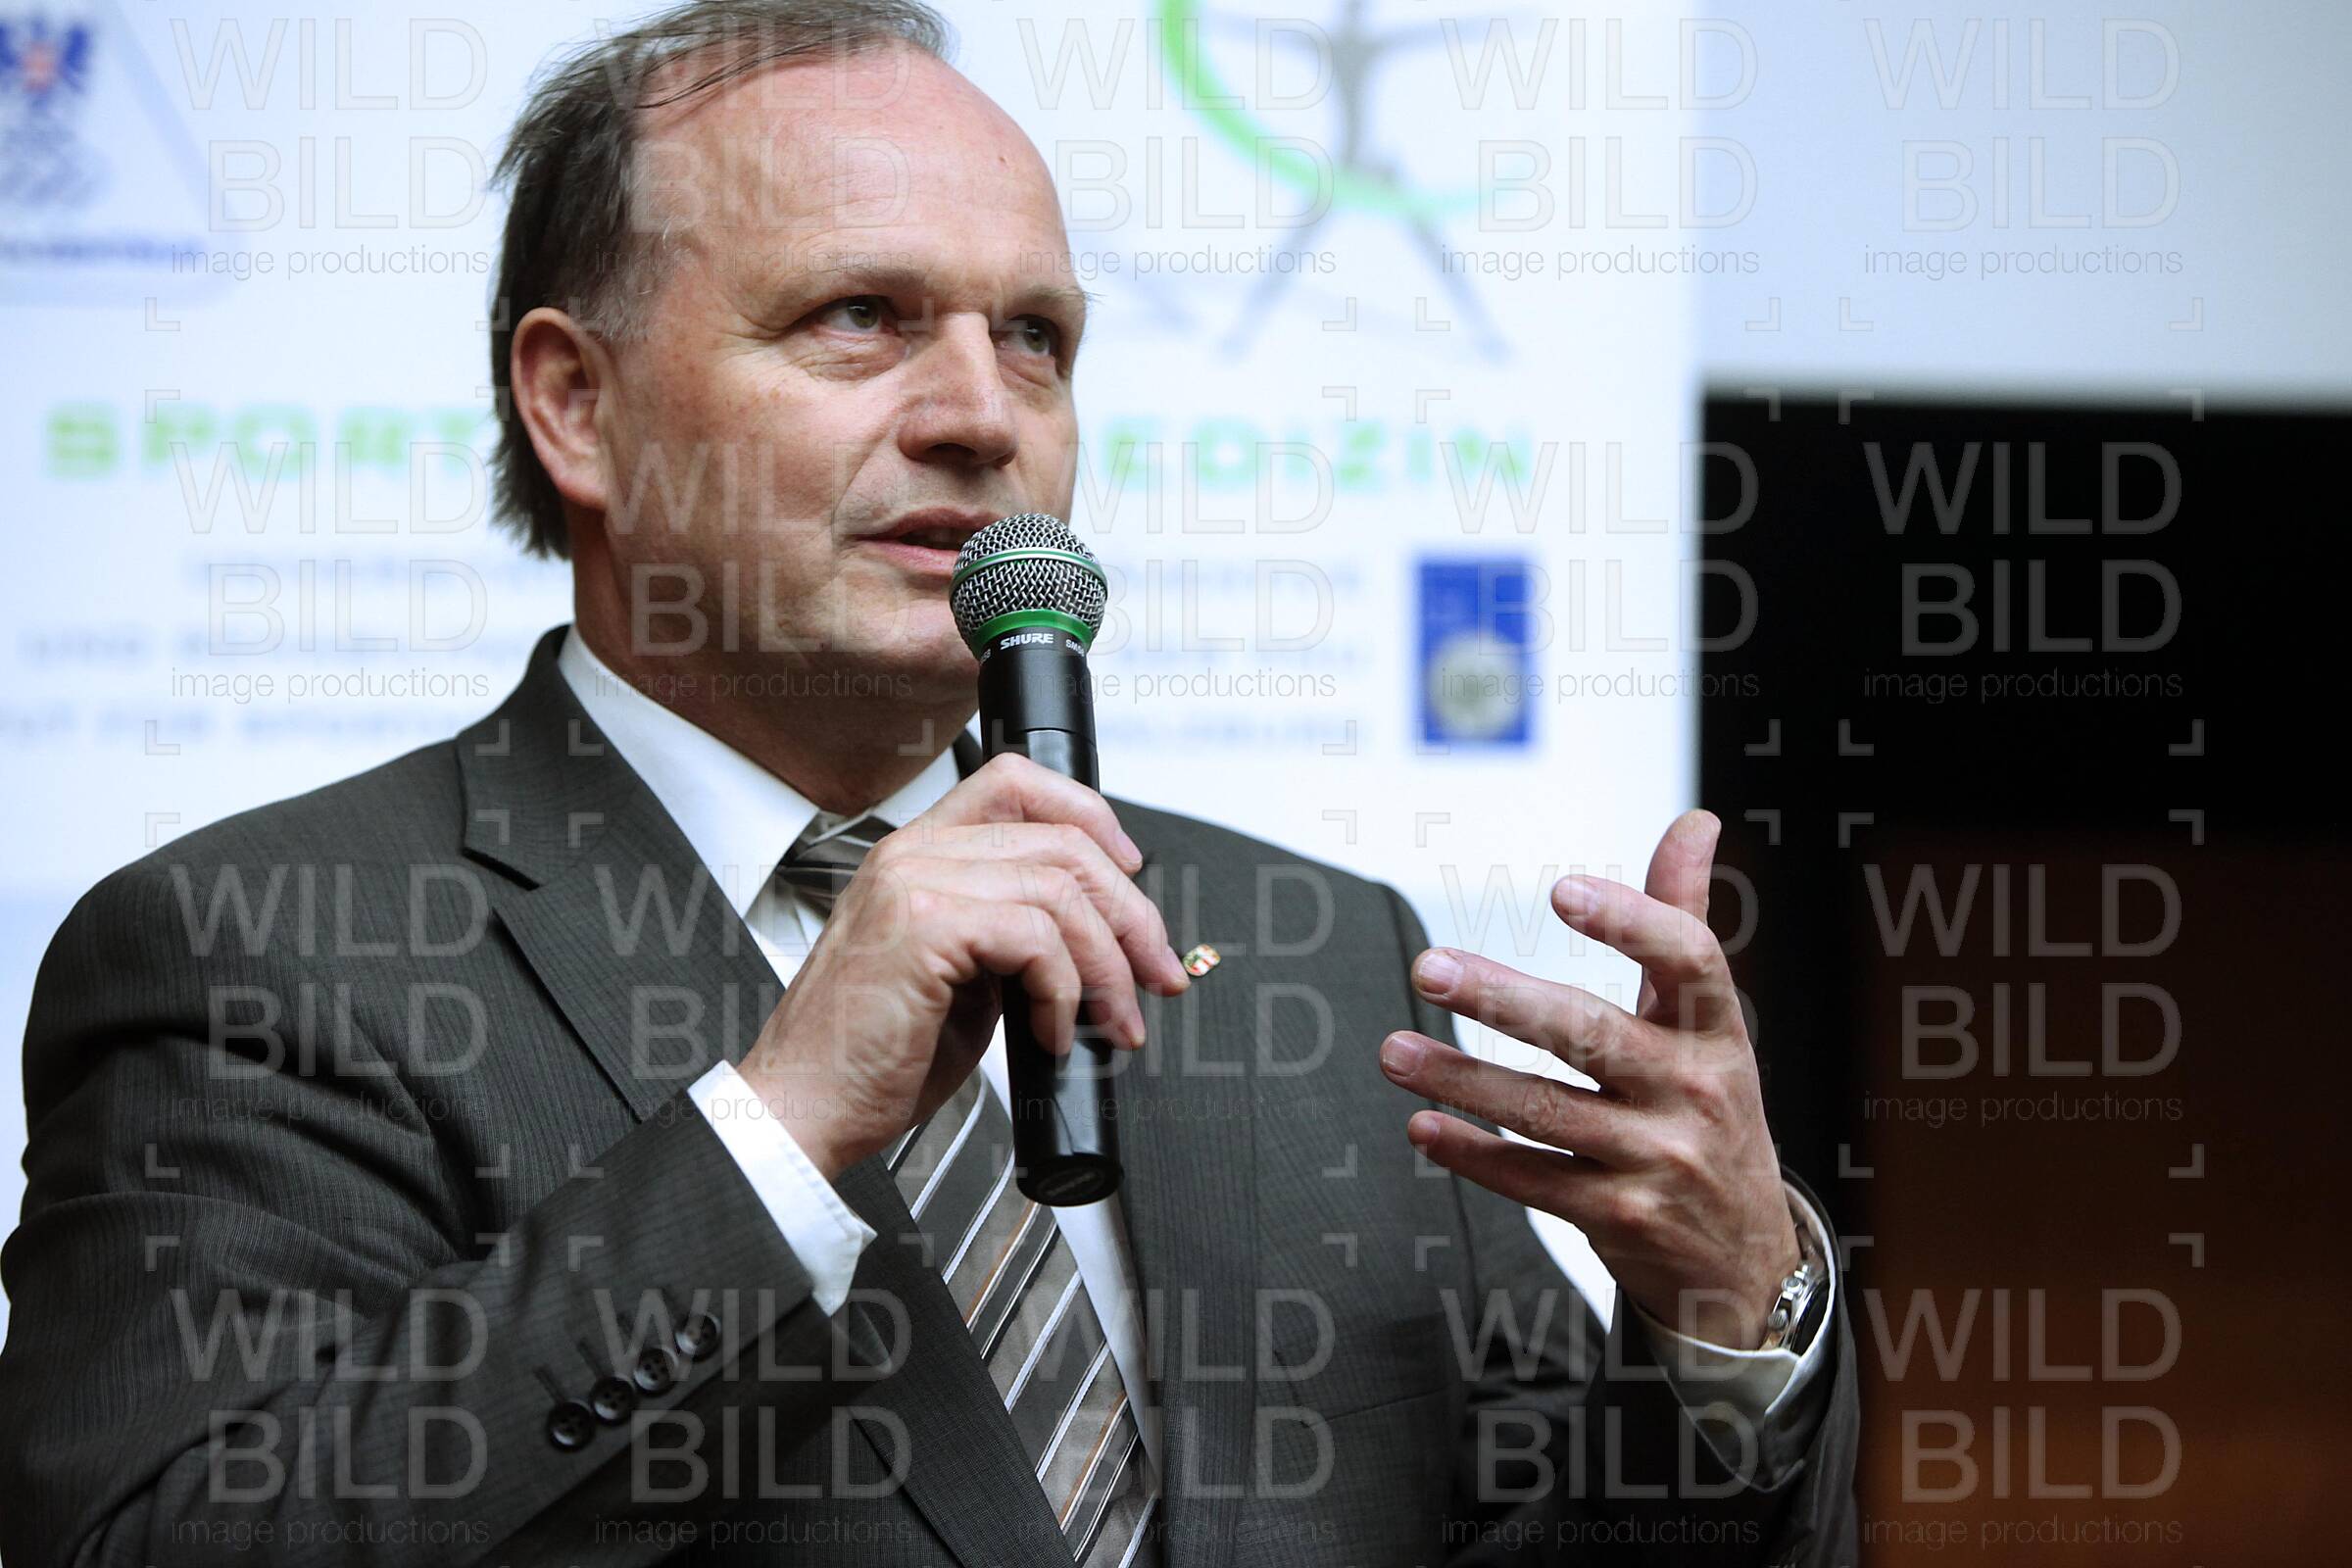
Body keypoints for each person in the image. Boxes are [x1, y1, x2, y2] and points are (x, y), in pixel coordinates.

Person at [0, 3, 1858, 1563]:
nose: (984, 415)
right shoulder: (262, 955)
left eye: (1035, 337)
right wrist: (777, 1128)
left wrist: (1728, 1327)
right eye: (860, 316)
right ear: (578, 404)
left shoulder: (1313, 953)